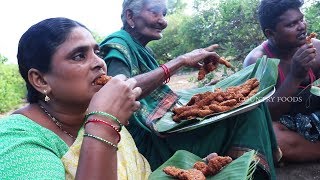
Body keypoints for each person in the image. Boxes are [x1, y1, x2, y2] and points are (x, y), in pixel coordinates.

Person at [99, 0, 281, 179]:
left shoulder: (143, 49)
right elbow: (120, 90)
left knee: (252, 102)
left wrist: (190, 64)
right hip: (150, 142)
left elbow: (155, 85)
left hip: (168, 128)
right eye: (155, 12)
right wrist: (181, 60)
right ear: (130, 16)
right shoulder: (118, 45)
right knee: (249, 114)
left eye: (164, 14)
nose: (163, 20)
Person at [0, 17, 152, 179]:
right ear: (41, 80)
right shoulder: (16, 138)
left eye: (97, 52)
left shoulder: (91, 111)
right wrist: (103, 124)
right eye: (79, 56)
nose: (100, 62)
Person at [243, 0, 320, 163]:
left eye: (301, 19)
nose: (302, 26)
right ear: (270, 33)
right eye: (292, 24)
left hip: (314, 115)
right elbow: (266, 115)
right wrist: (295, 76)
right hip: (285, 125)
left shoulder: (316, 48)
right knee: (271, 138)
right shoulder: (257, 62)